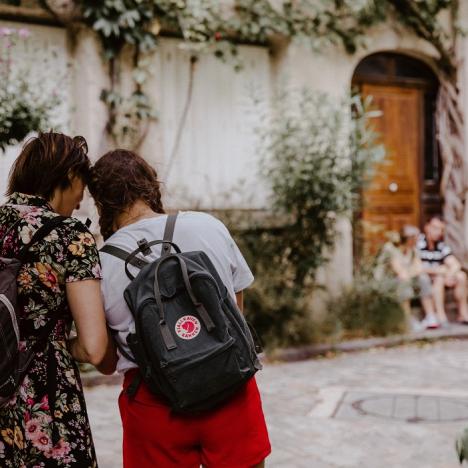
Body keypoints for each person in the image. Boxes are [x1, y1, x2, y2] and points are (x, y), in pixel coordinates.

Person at [89, 149, 271, 468]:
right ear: (150, 185)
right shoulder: (208, 226)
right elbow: (235, 316)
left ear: (102, 202)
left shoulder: (100, 266)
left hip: (155, 407)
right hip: (229, 387)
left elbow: (104, 361)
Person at [0, 132, 117, 467]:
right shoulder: (69, 236)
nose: (81, 201)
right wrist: (60, 344)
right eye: (82, 186)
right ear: (69, 176)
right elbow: (94, 347)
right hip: (46, 399)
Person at [376, 225, 438, 330]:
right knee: (404, 281)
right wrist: (411, 271)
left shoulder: (413, 250)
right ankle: (407, 319)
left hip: (406, 277)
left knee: (423, 278)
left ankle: (430, 316)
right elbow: (399, 271)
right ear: (410, 239)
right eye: (417, 237)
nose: (419, 240)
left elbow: (419, 268)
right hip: (387, 281)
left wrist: (411, 272)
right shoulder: (390, 249)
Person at [417, 216, 468, 325]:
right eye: (435, 228)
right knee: (439, 278)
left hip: (440, 276)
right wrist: (439, 271)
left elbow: (455, 264)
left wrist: (449, 274)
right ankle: (441, 315)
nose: (438, 232)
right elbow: (417, 267)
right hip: (424, 279)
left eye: (441, 229)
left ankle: (463, 313)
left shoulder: (441, 245)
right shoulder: (418, 243)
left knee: (461, 276)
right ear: (427, 227)